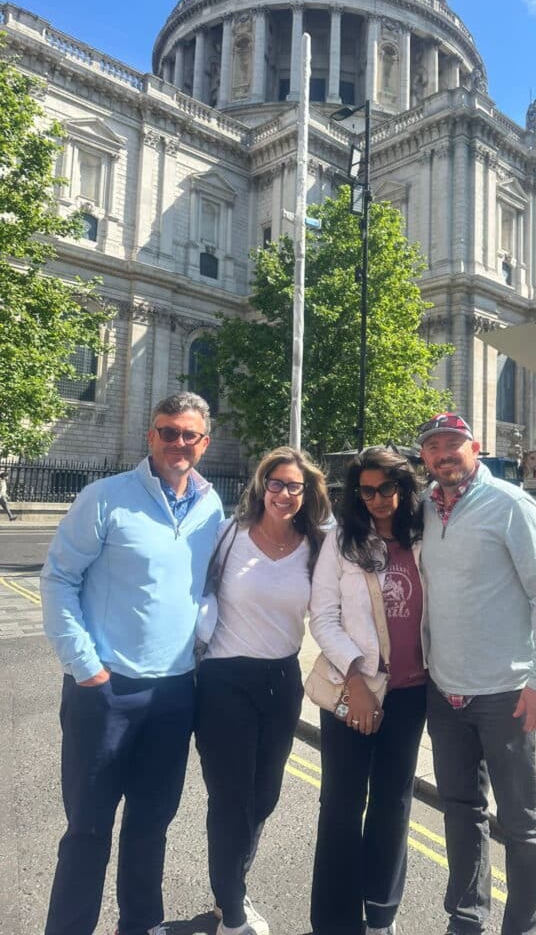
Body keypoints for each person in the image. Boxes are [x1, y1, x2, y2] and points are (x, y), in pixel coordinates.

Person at [40, 392, 224, 935]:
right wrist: (84, 666)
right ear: (151, 436)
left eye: (189, 434)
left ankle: (139, 926)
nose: (178, 443)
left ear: (204, 442)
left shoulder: (212, 505)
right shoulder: (105, 497)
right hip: (106, 690)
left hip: (174, 693)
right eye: (168, 431)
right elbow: (58, 579)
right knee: (88, 828)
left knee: (151, 826)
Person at [416, 412, 536, 935]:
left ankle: (525, 927)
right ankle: (467, 917)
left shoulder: (510, 505)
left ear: (474, 447)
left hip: (507, 693)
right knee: (460, 811)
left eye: (452, 444)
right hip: (446, 690)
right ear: (425, 459)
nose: (443, 455)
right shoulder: (426, 512)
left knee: (523, 822)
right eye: (433, 447)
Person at [195, 447, 331, 935]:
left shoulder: (318, 546)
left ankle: (229, 887)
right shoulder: (229, 535)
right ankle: (232, 912)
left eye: (294, 486)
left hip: (281, 681)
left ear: (307, 492)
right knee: (230, 800)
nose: (284, 493)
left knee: (264, 797)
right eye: (276, 483)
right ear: (261, 486)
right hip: (224, 680)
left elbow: (334, 610)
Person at [309, 446, 426, 935]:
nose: (378, 499)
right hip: (352, 689)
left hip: (412, 692)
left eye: (387, 488)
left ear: (403, 487)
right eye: (367, 490)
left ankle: (380, 915)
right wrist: (356, 679)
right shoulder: (341, 542)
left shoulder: (425, 539)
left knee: (392, 803)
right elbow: (324, 617)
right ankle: (334, 922)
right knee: (340, 802)